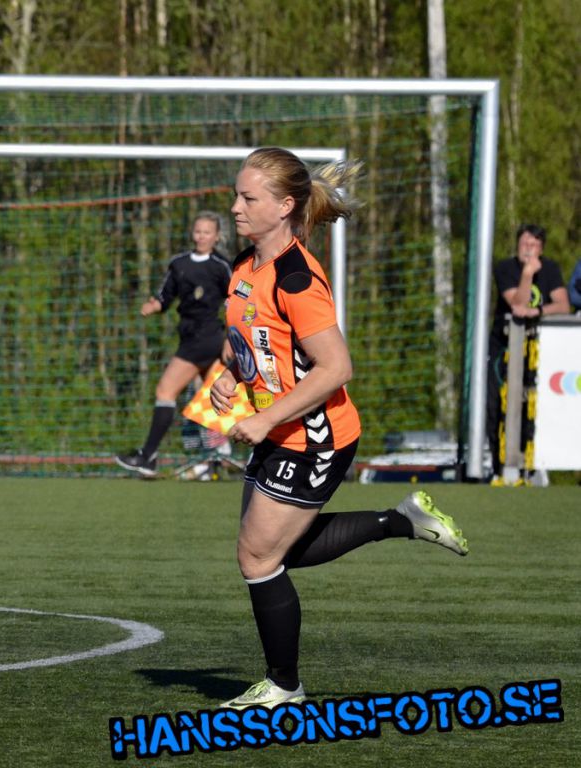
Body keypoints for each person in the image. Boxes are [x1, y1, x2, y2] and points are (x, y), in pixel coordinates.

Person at [209, 147, 469, 709]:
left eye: (248, 198)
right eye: (236, 195)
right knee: (274, 552)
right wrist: (231, 377)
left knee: (258, 557)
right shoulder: (244, 266)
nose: (235, 207)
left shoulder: (297, 279)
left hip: (314, 438)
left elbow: (336, 368)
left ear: (284, 206)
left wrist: (266, 416)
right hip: (280, 432)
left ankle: (284, 686)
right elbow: (254, 342)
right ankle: (401, 520)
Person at [116, 213, 232, 477]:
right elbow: (165, 296)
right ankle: (217, 456)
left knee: (165, 390)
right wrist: (154, 305)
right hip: (189, 336)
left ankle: (148, 457)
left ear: (217, 236)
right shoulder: (179, 263)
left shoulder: (222, 266)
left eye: (207, 232)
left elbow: (235, 301)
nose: (201, 236)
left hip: (208, 337)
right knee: (215, 395)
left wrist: (231, 338)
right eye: (198, 231)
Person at [486, 224, 570, 479]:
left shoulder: (551, 269)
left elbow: (563, 305)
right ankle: (500, 467)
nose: (528, 250)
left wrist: (538, 311)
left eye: (534, 245)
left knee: (533, 408)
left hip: (537, 352)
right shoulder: (505, 268)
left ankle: (531, 467)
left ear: (541, 249)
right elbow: (518, 304)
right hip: (504, 350)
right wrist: (527, 274)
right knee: (497, 406)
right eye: (524, 244)